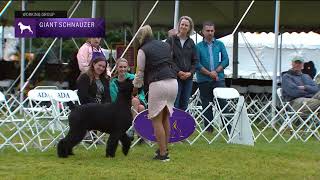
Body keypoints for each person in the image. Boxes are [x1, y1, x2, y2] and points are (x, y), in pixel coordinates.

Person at [133, 25, 178, 162]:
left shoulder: (143, 50)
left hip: (158, 83)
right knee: (165, 118)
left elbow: (139, 72)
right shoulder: (164, 45)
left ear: (140, 37)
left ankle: (163, 154)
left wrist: (135, 88)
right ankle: (164, 149)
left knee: (156, 120)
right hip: (173, 82)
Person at [195, 21, 230, 133]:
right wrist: (209, 73)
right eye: (207, 31)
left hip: (218, 79)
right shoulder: (198, 47)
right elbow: (197, 64)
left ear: (214, 31)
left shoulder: (220, 44)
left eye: (212, 31)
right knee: (206, 104)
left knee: (223, 103)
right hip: (204, 80)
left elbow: (226, 60)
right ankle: (208, 129)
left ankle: (229, 128)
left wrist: (215, 71)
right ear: (202, 32)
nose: (210, 33)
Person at [110, 58, 147, 142]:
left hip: (135, 103)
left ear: (128, 68)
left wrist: (138, 97)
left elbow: (141, 93)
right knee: (140, 108)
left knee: (137, 102)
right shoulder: (113, 82)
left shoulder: (133, 78)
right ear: (116, 68)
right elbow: (115, 99)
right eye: (120, 67)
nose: (123, 69)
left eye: (124, 67)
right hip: (121, 106)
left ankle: (132, 129)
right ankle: (139, 135)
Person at [77, 55, 111, 144]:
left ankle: (100, 137)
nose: (101, 68)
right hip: (87, 106)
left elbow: (107, 96)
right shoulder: (85, 77)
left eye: (103, 67)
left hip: (102, 107)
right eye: (99, 65)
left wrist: (106, 105)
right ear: (93, 64)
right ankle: (89, 136)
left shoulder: (105, 79)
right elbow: (83, 95)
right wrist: (96, 105)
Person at [166, 16, 198, 111]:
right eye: (182, 24)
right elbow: (168, 59)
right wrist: (178, 72)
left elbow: (195, 61)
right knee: (175, 103)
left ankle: (180, 126)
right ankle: (172, 125)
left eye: (186, 25)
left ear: (189, 28)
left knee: (184, 104)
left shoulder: (191, 43)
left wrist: (190, 73)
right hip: (175, 77)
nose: (184, 27)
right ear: (179, 25)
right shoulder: (171, 40)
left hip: (188, 78)